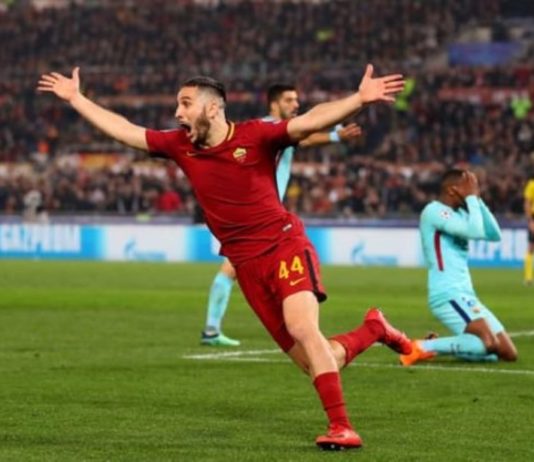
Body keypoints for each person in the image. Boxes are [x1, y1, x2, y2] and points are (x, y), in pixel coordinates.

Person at [38, 64, 410, 450]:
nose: (178, 113)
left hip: (283, 246)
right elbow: (127, 131)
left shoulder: (256, 135)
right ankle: (375, 328)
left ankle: (341, 427)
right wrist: (76, 99)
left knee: (302, 327)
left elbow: (309, 121)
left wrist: (358, 99)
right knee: (315, 360)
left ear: (213, 108)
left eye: (185, 104)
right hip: (246, 266)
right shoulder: (179, 145)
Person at [201, 83, 362, 346]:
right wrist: (335, 136)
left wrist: (335, 136)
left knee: (235, 270)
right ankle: (211, 330)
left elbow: (303, 138)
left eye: (296, 100)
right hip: (254, 218)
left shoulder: (273, 130)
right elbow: (305, 136)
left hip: (260, 216)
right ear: (274, 104)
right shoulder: (267, 128)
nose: (295, 104)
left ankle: (214, 329)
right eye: (289, 100)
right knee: (232, 270)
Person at [400, 169, 518, 366]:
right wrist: (471, 199)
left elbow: (494, 234)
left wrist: (477, 199)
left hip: (466, 294)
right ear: (452, 190)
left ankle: (441, 345)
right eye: (468, 187)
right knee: (488, 343)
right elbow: (475, 231)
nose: (473, 190)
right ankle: (421, 347)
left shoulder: (462, 213)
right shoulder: (434, 211)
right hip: (447, 293)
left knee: (507, 352)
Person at [523, 173, 534, 285]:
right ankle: (528, 277)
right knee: (531, 247)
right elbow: (527, 203)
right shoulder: (532, 184)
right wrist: (530, 220)